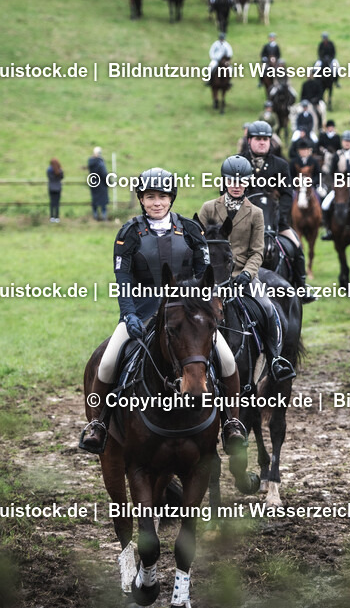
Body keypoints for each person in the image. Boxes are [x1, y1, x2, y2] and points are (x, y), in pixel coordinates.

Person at [79, 168, 246, 455]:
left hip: (185, 316)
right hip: (141, 313)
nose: (157, 202)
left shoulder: (191, 231)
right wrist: (129, 314)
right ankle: (99, 424)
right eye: (150, 197)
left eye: (163, 197)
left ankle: (231, 422)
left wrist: (201, 310)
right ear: (142, 199)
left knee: (227, 361)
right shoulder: (129, 233)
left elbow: (202, 274)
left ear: (172, 198)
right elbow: (123, 279)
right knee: (106, 363)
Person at [198, 155, 296, 384]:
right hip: (213, 279)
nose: (236, 186)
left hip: (244, 276)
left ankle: (274, 360)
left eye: (241, 181)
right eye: (232, 181)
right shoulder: (208, 209)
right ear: (224, 181)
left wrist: (247, 274)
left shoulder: (255, 213)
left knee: (267, 308)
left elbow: (257, 251)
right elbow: (197, 243)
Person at [241, 121, 314, 302]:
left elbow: (287, 195)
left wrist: (280, 217)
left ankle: (301, 285)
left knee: (296, 244)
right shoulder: (238, 163)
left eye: (266, 139)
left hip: (274, 221)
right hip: (243, 223)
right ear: (249, 140)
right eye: (258, 139)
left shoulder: (280, 165)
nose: (262, 143)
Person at [88, 146, 109, 221]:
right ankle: (104, 217)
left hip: (93, 183)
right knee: (103, 202)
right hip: (101, 185)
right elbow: (104, 174)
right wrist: (108, 181)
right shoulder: (100, 162)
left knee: (95, 200)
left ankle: (95, 216)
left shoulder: (91, 162)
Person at [47, 158, 64, 223]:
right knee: (57, 203)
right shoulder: (60, 170)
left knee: (52, 203)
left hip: (51, 187)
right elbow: (62, 177)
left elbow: (48, 176)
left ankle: (52, 217)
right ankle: (57, 217)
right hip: (58, 188)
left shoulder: (49, 170)